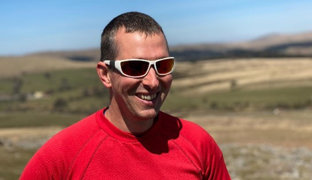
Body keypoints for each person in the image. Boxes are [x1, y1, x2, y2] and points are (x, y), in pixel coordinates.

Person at [20, 11, 231, 180]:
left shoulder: (198, 144)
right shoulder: (60, 156)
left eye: (163, 65)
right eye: (135, 67)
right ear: (105, 75)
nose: (153, 81)